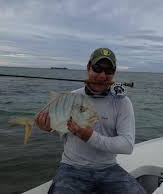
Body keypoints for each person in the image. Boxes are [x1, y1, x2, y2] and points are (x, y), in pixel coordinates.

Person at [35, 48, 147, 194]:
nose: (102, 75)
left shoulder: (122, 102)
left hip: (109, 168)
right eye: (97, 68)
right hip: (71, 168)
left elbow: (126, 146)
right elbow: (62, 131)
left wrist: (89, 136)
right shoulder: (71, 97)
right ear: (88, 68)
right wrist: (49, 128)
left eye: (108, 71)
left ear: (114, 73)